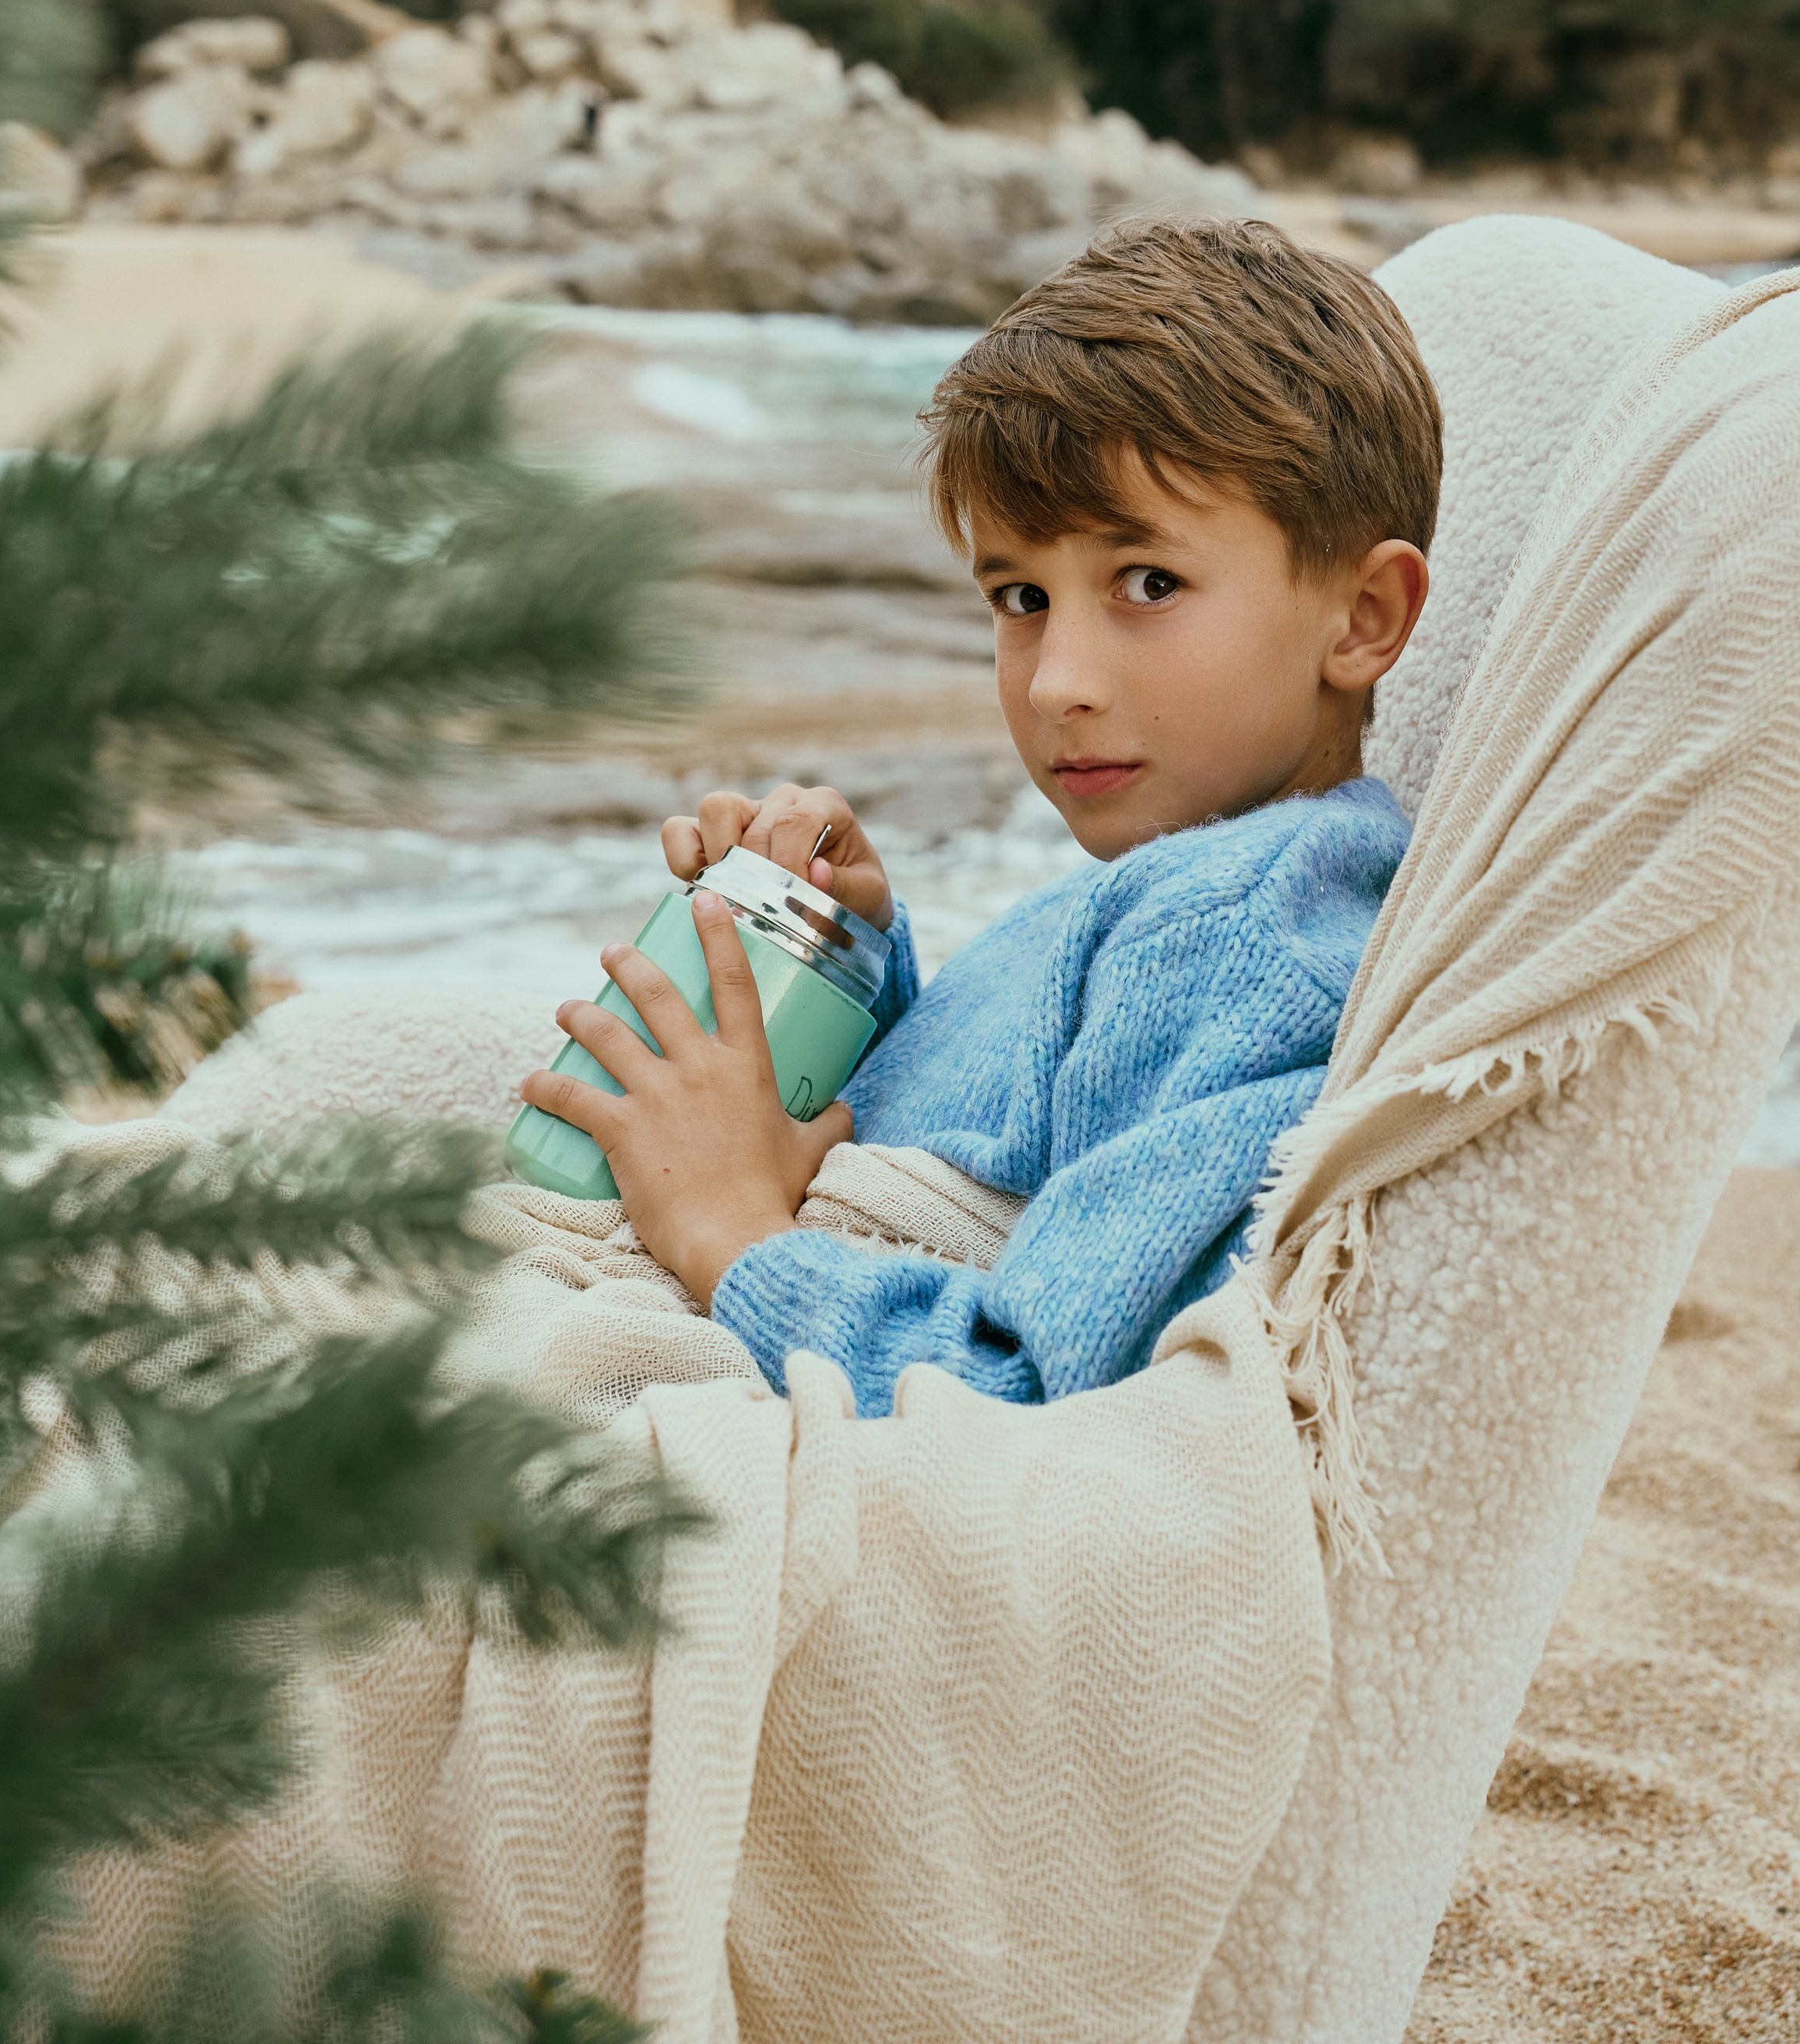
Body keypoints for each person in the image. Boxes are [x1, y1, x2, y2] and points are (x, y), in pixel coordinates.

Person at [517, 215, 1440, 1416]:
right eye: (1020, 596)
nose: (1058, 680)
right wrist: (858, 968)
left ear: (1365, 616)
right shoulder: (1186, 871)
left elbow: (1032, 1397)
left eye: (1147, 584)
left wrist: (735, 1238)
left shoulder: (1244, 935)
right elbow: (1007, 1132)